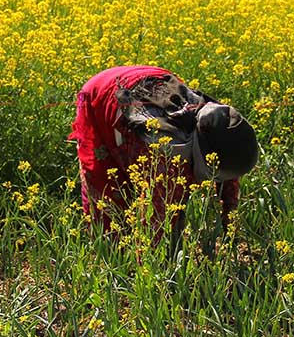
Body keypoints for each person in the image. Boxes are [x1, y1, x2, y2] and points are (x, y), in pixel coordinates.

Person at [69, 65, 260, 244]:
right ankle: (109, 251)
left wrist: (230, 231)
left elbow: (229, 183)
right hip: (104, 93)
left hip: (150, 78)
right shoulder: (167, 155)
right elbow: (153, 225)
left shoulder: (224, 131)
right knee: (107, 190)